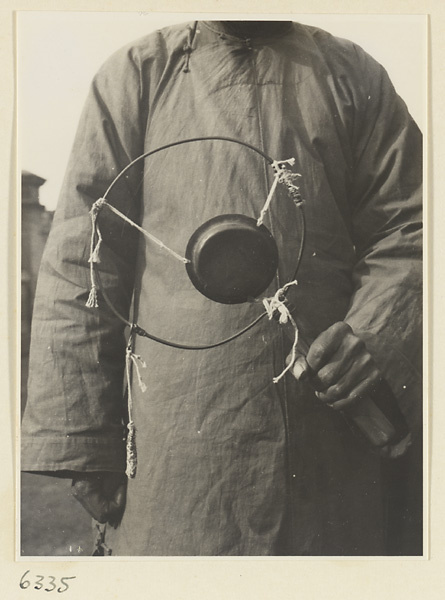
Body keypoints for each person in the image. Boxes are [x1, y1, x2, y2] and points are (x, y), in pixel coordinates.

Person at [21, 20, 423, 556]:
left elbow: (415, 226)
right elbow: (82, 262)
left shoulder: (352, 75)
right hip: (180, 446)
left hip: (332, 432)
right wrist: (83, 442)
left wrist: (378, 331)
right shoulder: (136, 76)